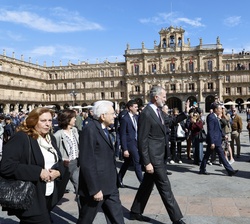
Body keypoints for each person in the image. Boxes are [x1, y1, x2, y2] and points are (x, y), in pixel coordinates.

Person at [0, 107, 68, 224]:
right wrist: (38, 172)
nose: (48, 124)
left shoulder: (50, 138)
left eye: (50, 120)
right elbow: (6, 166)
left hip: (48, 195)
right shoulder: (22, 137)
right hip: (31, 196)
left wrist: (59, 171)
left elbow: (58, 161)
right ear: (33, 121)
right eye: (43, 121)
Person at [130, 86, 186, 224]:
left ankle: (135, 211)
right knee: (165, 187)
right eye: (164, 96)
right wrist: (147, 162)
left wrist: (185, 113)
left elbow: (170, 122)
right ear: (156, 97)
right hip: (154, 158)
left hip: (160, 155)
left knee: (146, 185)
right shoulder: (147, 113)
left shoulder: (158, 111)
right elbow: (142, 140)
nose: (165, 99)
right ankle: (177, 219)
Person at [77, 100, 124, 224]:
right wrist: (95, 189)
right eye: (112, 113)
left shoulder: (103, 129)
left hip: (110, 185)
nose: (115, 116)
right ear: (103, 116)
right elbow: (87, 161)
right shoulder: (90, 130)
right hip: (97, 187)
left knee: (117, 219)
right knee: (86, 220)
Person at [199, 104, 238, 176]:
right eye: (220, 109)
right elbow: (211, 131)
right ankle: (230, 171)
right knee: (221, 156)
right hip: (214, 141)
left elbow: (218, 129)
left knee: (207, 155)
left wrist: (224, 135)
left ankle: (202, 169)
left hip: (216, 139)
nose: (221, 111)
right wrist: (212, 142)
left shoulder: (215, 117)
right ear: (216, 109)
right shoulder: (211, 117)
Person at [53, 109, 80, 210]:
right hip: (64, 166)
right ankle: (46, 211)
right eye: (73, 118)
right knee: (58, 191)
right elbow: (55, 151)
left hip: (75, 163)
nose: (75, 120)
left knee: (80, 189)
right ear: (67, 119)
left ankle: (83, 217)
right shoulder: (58, 135)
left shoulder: (75, 130)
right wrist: (62, 160)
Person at [118, 100, 143, 187]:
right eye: (135, 107)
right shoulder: (125, 119)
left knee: (126, 163)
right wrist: (124, 149)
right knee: (137, 162)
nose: (137, 108)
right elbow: (123, 134)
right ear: (130, 108)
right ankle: (142, 183)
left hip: (136, 143)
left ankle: (119, 178)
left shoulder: (137, 117)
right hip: (129, 144)